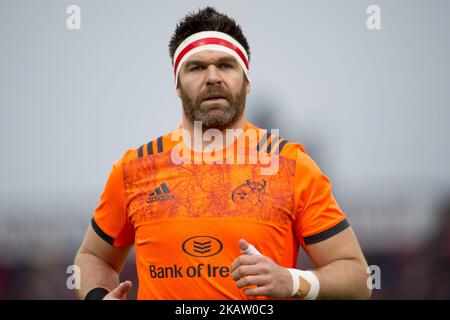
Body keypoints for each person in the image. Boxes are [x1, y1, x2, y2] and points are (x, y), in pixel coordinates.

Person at [74, 6, 371, 300]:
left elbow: (358, 279)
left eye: (226, 65)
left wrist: (292, 281)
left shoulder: (291, 167)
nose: (213, 77)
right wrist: (97, 296)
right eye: (197, 67)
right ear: (177, 84)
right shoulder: (135, 169)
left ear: (247, 81)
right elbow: (92, 256)